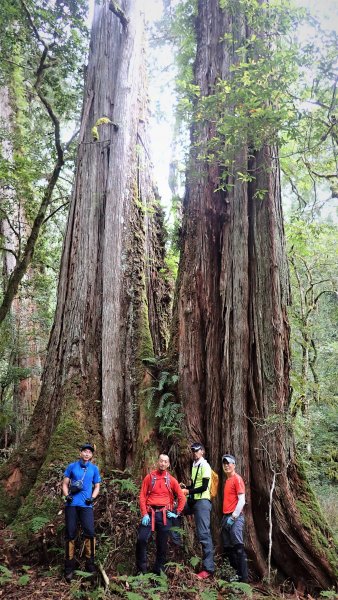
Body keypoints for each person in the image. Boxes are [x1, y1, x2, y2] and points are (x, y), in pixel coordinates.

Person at [136, 453, 186, 575]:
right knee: (141, 539)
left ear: (168, 464)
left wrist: (177, 513)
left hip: (164, 515)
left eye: (165, 462)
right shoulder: (150, 477)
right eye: (161, 461)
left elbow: (181, 497)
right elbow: (142, 496)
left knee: (162, 544)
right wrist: (144, 514)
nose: (163, 463)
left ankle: (159, 572)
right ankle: (141, 570)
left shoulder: (171, 480)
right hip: (149, 513)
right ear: (158, 462)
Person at [62, 443, 101, 582]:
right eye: (84, 451)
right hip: (71, 505)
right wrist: (67, 495)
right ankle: (69, 569)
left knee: (90, 533)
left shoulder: (94, 469)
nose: (86, 454)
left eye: (89, 452)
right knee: (70, 534)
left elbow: (97, 486)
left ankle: (90, 567)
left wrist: (92, 498)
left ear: (91, 455)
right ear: (80, 453)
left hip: (86, 506)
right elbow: (65, 483)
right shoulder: (72, 466)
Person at [182, 442, 215, 580]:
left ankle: (208, 569)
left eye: (196, 451)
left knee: (204, 534)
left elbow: (204, 487)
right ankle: (176, 542)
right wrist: (185, 487)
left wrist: (188, 491)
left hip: (202, 502)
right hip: (193, 501)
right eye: (193, 451)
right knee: (177, 510)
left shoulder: (205, 466)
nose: (194, 453)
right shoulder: (195, 466)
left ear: (202, 451)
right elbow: (196, 485)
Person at [221, 453, 248, 583]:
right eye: (224, 463)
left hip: (235, 517)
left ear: (234, 465)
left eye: (229, 463)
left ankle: (244, 579)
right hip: (226, 517)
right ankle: (236, 575)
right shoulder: (227, 480)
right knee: (228, 548)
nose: (226, 465)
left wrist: (234, 516)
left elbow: (242, 500)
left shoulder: (237, 479)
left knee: (238, 547)